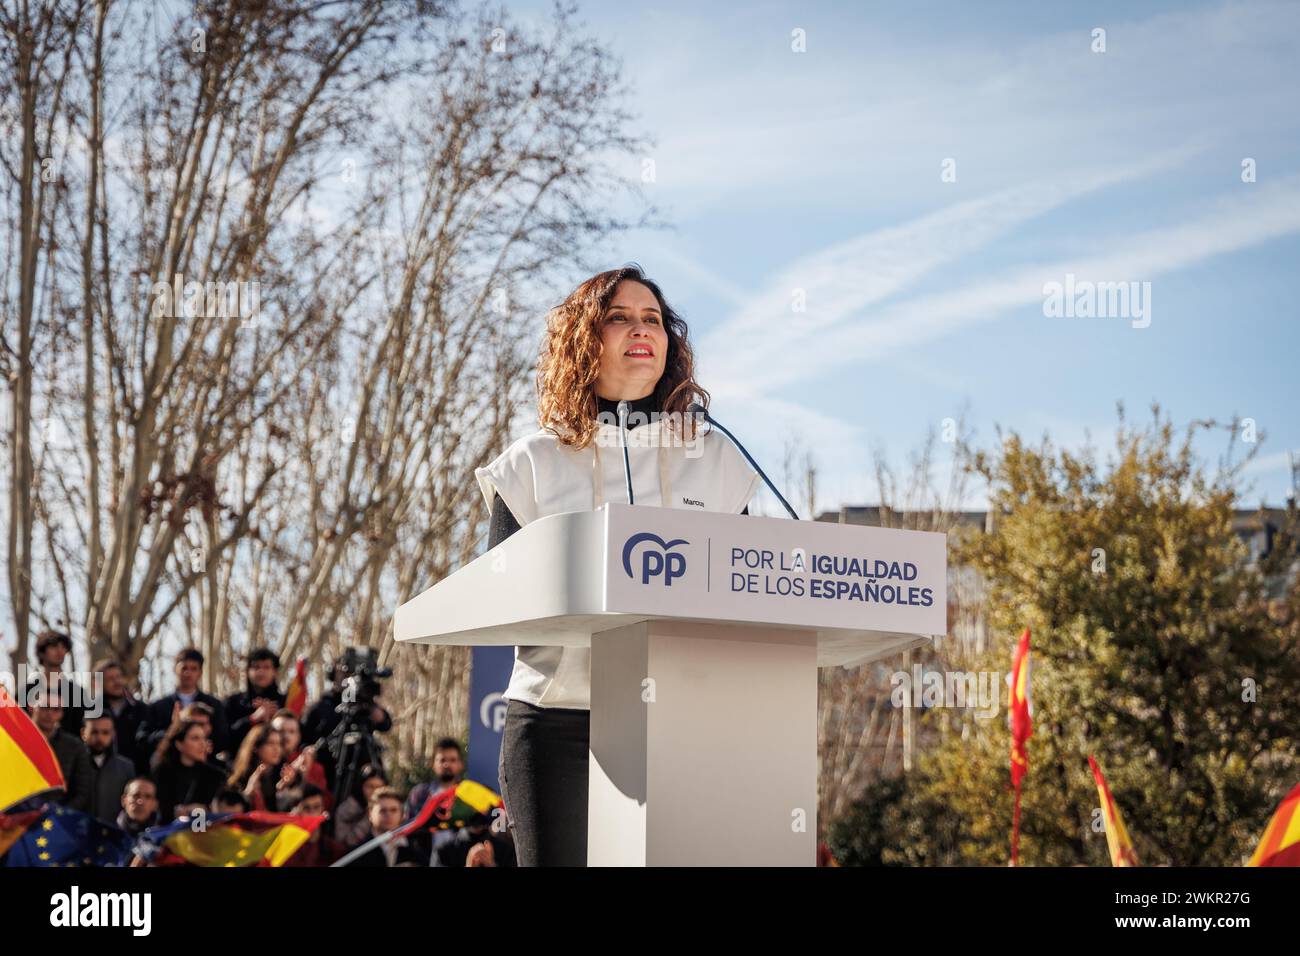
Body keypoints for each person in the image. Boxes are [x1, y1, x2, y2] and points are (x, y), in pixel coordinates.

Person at [475, 265, 760, 866]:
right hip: (556, 725)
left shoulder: (717, 461)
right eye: (620, 317)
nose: (641, 329)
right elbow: (498, 601)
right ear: (585, 339)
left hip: (682, 721)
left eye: (653, 319)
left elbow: (750, 585)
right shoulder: (532, 464)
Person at [136, 647, 230, 759]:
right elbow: (142, 739)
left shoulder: (213, 705)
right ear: (175, 669)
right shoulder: (158, 707)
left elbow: (225, 738)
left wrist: (206, 738)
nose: (188, 673)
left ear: (200, 672)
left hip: (205, 767)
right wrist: (173, 729)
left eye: (193, 669)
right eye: (184, 668)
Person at [151, 719, 226, 820]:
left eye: (204, 738)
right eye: (195, 738)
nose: (202, 744)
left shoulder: (215, 775)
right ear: (179, 744)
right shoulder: (162, 772)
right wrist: (178, 811)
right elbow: (159, 809)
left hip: (202, 831)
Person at [27, 701, 92, 812]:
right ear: (31, 708)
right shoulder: (14, 741)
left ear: (62, 713)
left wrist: (60, 813)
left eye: (56, 709)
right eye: (44, 707)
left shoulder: (75, 746)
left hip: (60, 819)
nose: (49, 713)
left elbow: (83, 792)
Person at [343, 787, 428, 867]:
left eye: (393, 810)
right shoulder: (355, 855)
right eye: (382, 810)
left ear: (402, 814)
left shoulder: (417, 853)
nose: (388, 815)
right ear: (370, 814)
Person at [224, 647, 286, 753]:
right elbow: (225, 738)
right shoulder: (232, 702)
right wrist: (252, 719)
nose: (261, 672)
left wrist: (277, 719)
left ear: (275, 671)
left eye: (266, 667)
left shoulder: (285, 702)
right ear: (247, 671)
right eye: (256, 667)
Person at [92, 658, 147, 773]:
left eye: (119, 677)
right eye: (110, 679)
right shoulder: (91, 710)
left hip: (135, 772)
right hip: (102, 773)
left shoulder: (141, 709)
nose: (117, 682)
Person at [27, 631, 88, 735]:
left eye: (64, 647)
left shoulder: (77, 693)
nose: (60, 651)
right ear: (42, 652)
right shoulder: (26, 692)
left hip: (69, 750)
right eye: (54, 646)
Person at [82, 713, 136, 824]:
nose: (100, 738)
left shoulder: (125, 767)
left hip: (113, 833)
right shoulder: (73, 763)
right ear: (83, 733)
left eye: (105, 732)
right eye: (94, 732)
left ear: (113, 734)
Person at [271, 709, 330, 808]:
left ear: (298, 737)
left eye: (291, 732)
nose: (286, 736)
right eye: (280, 731)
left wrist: (304, 776)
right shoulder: (261, 762)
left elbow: (323, 804)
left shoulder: (312, 766)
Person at [226, 724, 287, 812]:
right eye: (271, 743)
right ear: (255, 747)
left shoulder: (280, 775)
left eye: (279, 744)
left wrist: (283, 790)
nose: (277, 749)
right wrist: (248, 794)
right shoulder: (240, 778)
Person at [282, 785, 345, 867]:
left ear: (322, 809)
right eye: (306, 808)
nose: (312, 814)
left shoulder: (334, 849)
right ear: (297, 812)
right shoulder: (285, 848)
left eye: (316, 807)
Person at [404, 737, 463, 820]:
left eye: (452, 760)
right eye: (442, 760)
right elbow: (408, 824)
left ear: (460, 764)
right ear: (433, 764)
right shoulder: (419, 794)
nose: (447, 765)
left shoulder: (468, 795)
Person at [333, 764, 387, 847]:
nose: (375, 791)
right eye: (370, 786)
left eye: (379, 787)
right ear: (361, 787)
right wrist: (369, 817)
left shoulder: (388, 809)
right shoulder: (346, 810)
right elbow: (346, 842)